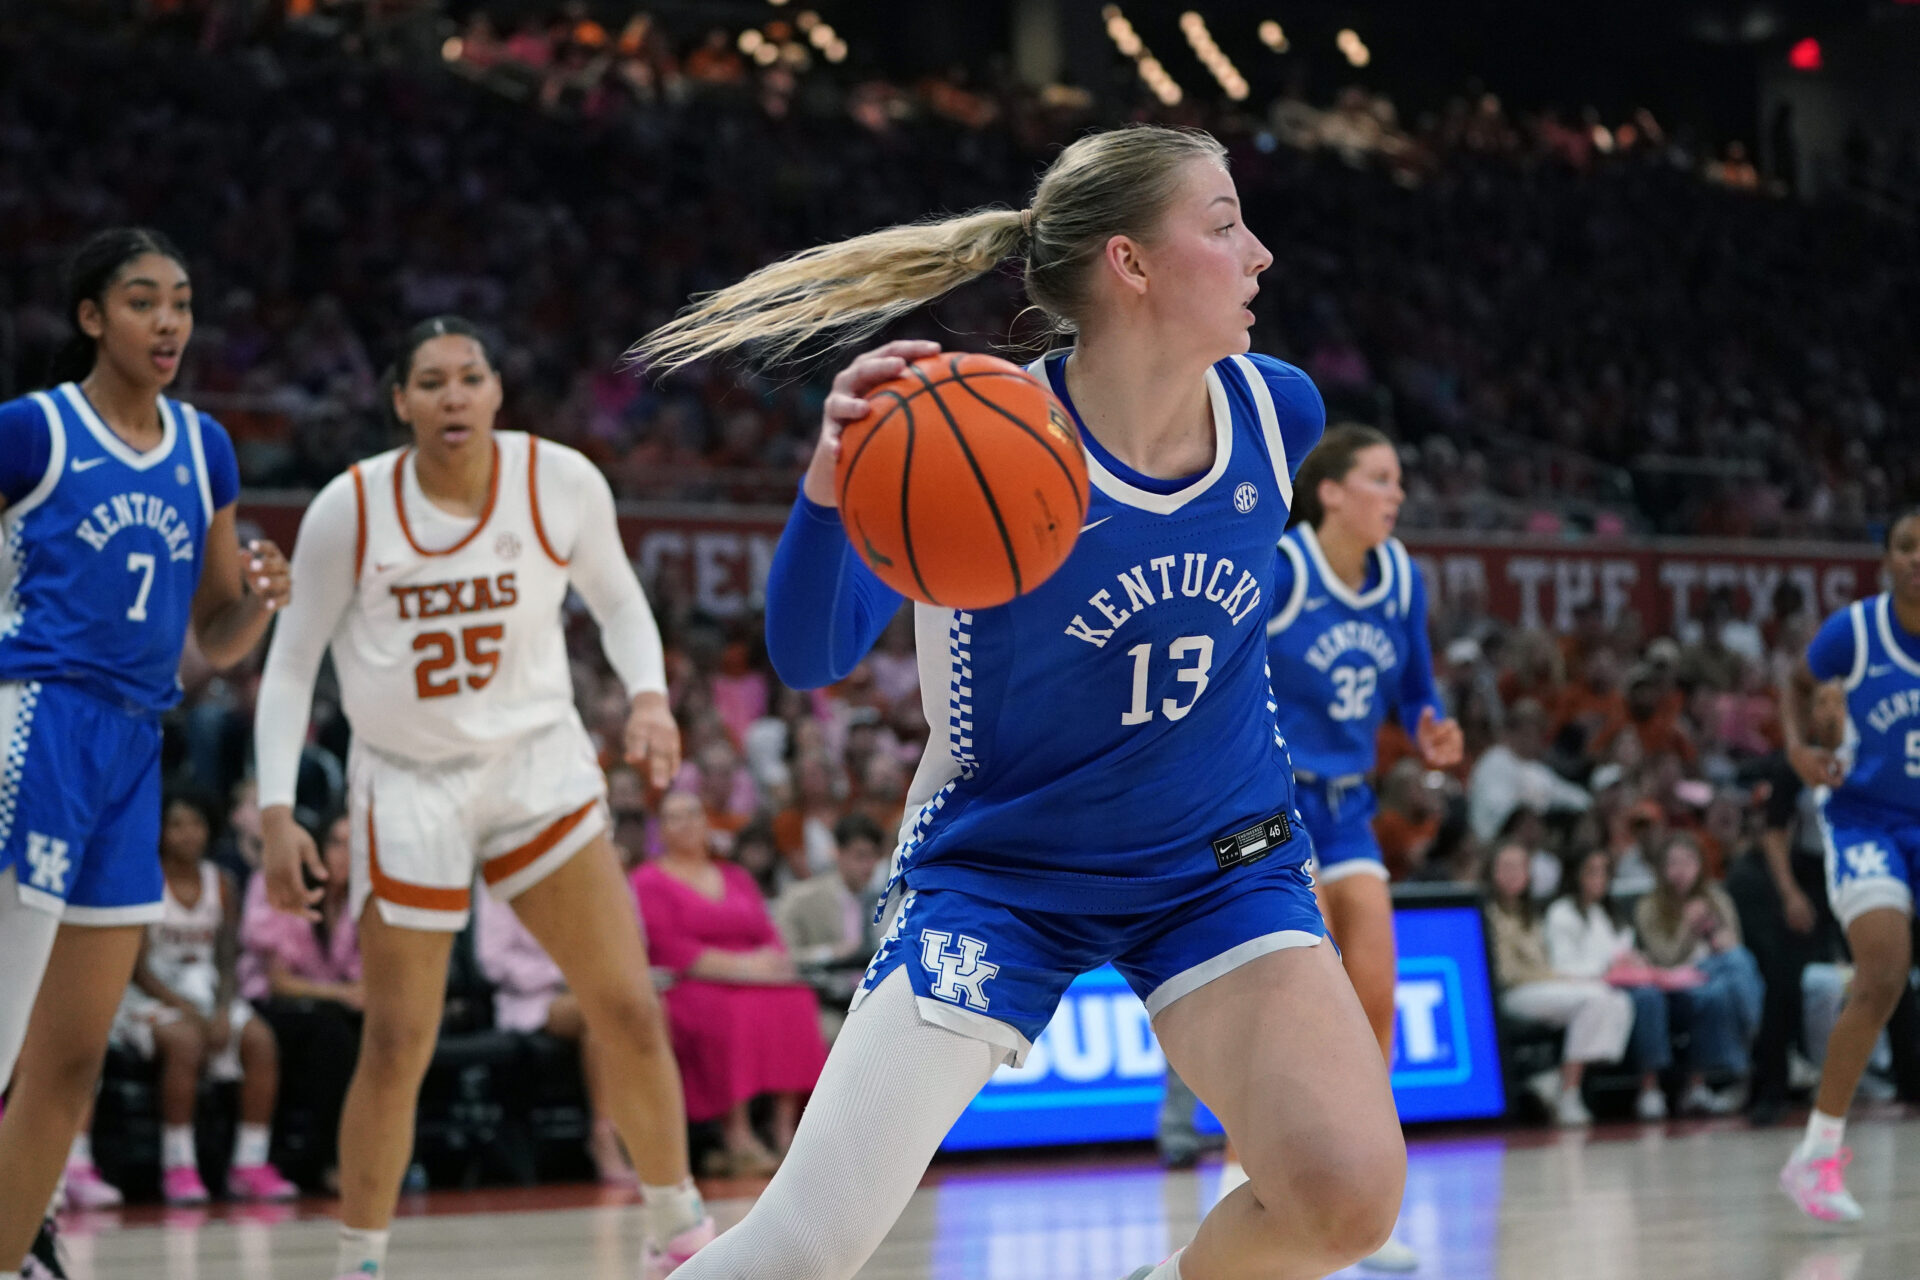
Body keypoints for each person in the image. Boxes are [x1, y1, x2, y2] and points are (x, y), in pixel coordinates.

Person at [634, 123, 1403, 1280]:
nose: (1261, 255)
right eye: (1224, 224)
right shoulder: (978, 438)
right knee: (800, 1248)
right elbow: (809, 653)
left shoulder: (1277, 414)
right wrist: (830, 482)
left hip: (1218, 864)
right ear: (1131, 265)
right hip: (1003, 877)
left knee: (1347, 1198)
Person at [252, 317, 712, 1279]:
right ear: (401, 403)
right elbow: (290, 665)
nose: (453, 395)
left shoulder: (560, 480)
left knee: (625, 1005)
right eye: (431, 381)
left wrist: (651, 701)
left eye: (470, 377)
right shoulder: (353, 507)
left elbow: (622, 602)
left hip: (534, 762)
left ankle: (676, 1225)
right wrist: (277, 809)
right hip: (407, 781)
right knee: (398, 1041)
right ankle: (361, 1260)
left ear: (498, 392)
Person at [0, 228, 290, 1278]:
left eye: (181, 300)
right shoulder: (29, 432)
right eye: (141, 301)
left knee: (71, 1054)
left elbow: (210, 633)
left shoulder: (203, 447)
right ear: (91, 317)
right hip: (35, 726)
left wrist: (254, 608)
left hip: (134, 746)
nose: (168, 321)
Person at [1253, 422, 1464, 1271]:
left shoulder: (1402, 575)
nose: (1396, 495)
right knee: (1298, 996)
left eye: (1399, 480)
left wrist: (1430, 731)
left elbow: (1414, 688)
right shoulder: (1286, 566)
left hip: (1349, 807)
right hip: (1272, 800)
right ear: (1332, 491)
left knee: (1374, 992)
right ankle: (1265, 1168)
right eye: (1381, 479)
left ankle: (1362, 1194)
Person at [1779, 507, 1920, 1223]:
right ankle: (1817, 1155)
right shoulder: (1856, 632)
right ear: (1886, 560)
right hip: (1865, 819)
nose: (1917, 559)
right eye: (1905, 547)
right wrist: (1802, 748)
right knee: (1884, 970)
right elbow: (1797, 687)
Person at [106, 792, 298, 1203]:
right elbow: (135, 968)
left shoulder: (222, 883)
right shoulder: (145, 876)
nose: (187, 834)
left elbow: (228, 959)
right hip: (147, 995)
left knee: (261, 1041)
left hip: (204, 992)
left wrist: (224, 1008)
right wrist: (186, 1009)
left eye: (195, 824)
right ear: (159, 831)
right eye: (176, 825)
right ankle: (179, 1166)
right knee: (186, 1043)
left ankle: (249, 1162)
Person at [633, 791, 829, 1173]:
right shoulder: (649, 881)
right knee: (727, 1009)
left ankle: (786, 1128)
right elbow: (670, 948)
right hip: (692, 982)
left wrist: (772, 962)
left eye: (693, 813)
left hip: (756, 979)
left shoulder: (735, 877)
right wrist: (743, 968)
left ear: (707, 824)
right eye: (675, 817)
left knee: (795, 999)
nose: (687, 823)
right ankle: (737, 1133)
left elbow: (767, 933)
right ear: (661, 830)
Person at [239, 809, 364, 1192]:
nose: (345, 854)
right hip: (270, 1006)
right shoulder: (284, 881)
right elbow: (279, 983)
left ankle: (377, 1155)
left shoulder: (358, 899)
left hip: (329, 1008)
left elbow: (364, 973)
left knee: (378, 1032)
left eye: (353, 845)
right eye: (336, 843)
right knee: (333, 1036)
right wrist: (343, 993)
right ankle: (329, 1159)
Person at [473, 889, 631, 1185]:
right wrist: (562, 974)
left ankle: (644, 1131)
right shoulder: (499, 875)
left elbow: (625, 938)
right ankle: (604, 1133)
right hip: (533, 998)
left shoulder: (588, 867)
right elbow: (491, 959)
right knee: (600, 1014)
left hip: (598, 987)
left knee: (646, 1012)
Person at [1484, 840, 1636, 1127]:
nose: (1514, 873)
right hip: (1513, 993)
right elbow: (1508, 973)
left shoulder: (1531, 913)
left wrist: (1565, 977)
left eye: (1520, 867)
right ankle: (1568, 1091)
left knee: (1614, 998)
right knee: (1592, 999)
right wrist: (1562, 977)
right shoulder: (1489, 914)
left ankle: (1555, 1079)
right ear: (1493, 872)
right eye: (1507, 867)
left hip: (1544, 985)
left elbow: (1547, 965)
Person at [1631, 834, 1763, 1113]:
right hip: (1675, 980)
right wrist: (1686, 929)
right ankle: (1757, 1044)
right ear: (1661, 869)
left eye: (1687, 862)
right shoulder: (1649, 906)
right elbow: (1663, 958)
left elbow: (1735, 946)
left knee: (1732, 971)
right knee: (1723, 985)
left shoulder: (1717, 897)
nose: (1680, 871)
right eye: (1673, 864)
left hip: (1717, 975)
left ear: (1700, 866)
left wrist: (1717, 937)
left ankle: (1729, 1071)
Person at [775, 812, 888, 1041]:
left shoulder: (885, 902)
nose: (868, 866)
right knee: (831, 1032)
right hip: (824, 1001)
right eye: (860, 856)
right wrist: (830, 953)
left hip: (875, 1001)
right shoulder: (801, 898)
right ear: (839, 853)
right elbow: (780, 959)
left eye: (873, 857)